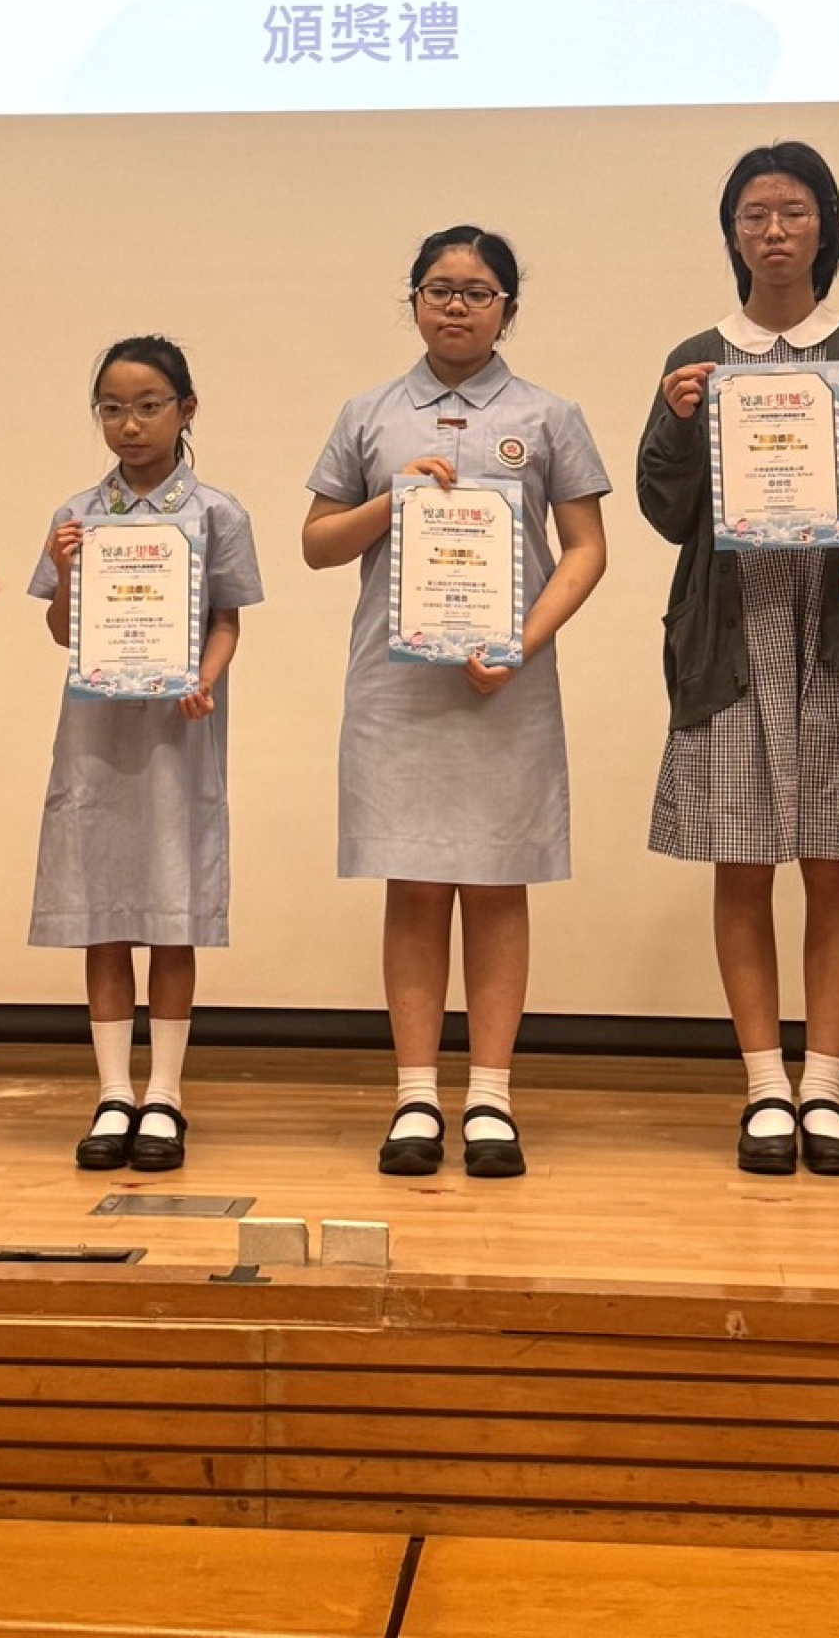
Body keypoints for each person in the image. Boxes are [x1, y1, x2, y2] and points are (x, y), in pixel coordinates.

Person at [638, 144, 839, 1178]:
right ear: (731, 232)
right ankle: (765, 1083)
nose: (773, 231)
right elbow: (665, 510)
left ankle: (827, 1086)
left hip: (834, 638)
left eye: (794, 211)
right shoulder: (698, 358)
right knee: (743, 861)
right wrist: (677, 425)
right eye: (753, 214)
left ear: (825, 227)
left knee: (835, 863)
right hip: (731, 643)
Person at [303, 226, 609, 1179]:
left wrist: (521, 643)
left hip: (504, 684)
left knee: (497, 880)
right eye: (439, 289)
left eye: (478, 292)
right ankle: (413, 1096)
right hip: (397, 688)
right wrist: (389, 500)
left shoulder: (548, 415)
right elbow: (318, 544)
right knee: (414, 880)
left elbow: (587, 550)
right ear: (413, 300)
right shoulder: (368, 413)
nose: (456, 306)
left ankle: (490, 1097)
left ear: (507, 308)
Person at [30, 336, 262, 1176]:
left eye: (149, 406)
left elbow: (228, 619)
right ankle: (112, 1091)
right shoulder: (76, 514)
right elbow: (61, 631)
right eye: (113, 409)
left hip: (175, 732)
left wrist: (205, 678)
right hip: (97, 735)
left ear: (185, 410)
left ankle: (164, 1091)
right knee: (103, 911)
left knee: (170, 907)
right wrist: (64, 574)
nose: (130, 425)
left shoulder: (217, 513)